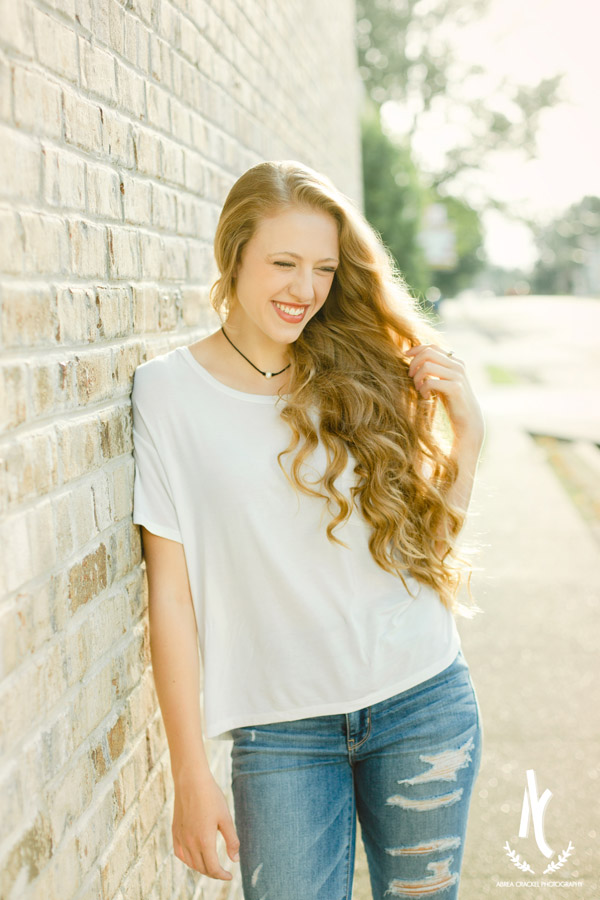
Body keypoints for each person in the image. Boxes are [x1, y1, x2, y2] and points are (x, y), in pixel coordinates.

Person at [131, 160, 486, 900]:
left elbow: (424, 551)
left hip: (420, 698)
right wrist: (189, 776)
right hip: (279, 732)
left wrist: (469, 440)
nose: (305, 290)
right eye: (283, 263)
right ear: (233, 255)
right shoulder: (167, 393)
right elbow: (170, 598)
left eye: (323, 268)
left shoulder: (364, 372)